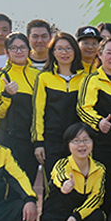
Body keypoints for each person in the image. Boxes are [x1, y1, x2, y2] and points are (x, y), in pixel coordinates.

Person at [39, 123, 106, 221]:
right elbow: (59, 177)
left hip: (75, 219)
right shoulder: (61, 165)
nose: (82, 145)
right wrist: (65, 185)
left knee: (98, 216)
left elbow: (96, 198)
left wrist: (74, 217)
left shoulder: (99, 169)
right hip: (55, 220)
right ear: (68, 145)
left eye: (86, 140)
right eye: (76, 141)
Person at [77, 36, 111, 213]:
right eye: (109, 53)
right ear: (99, 55)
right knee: (101, 188)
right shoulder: (92, 80)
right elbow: (83, 108)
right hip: (101, 146)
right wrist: (98, 122)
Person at [32, 31, 86, 177]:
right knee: (53, 183)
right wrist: (38, 143)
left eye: (68, 48)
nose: (64, 53)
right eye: (60, 49)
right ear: (53, 52)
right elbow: (38, 112)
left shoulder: (85, 78)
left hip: (78, 141)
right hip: (52, 142)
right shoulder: (44, 78)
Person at [0, 32, 41, 183]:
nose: (19, 51)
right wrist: (7, 95)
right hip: (12, 142)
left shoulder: (38, 75)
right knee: (12, 186)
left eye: (22, 47)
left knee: (29, 185)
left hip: (33, 142)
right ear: (6, 52)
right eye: (13, 48)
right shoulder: (1, 76)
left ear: (29, 50)